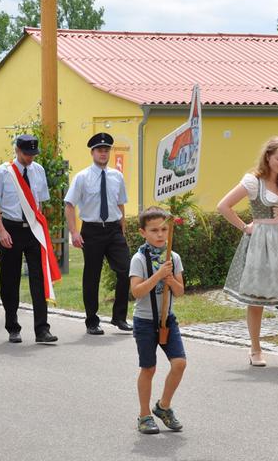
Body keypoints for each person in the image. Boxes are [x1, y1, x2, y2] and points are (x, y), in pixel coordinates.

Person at [218, 136, 278, 368]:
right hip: (261, 241)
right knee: (257, 297)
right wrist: (245, 227)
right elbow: (223, 205)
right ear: (268, 157)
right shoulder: (253, 181)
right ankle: (255, 349)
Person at [0, 134, 57, 344]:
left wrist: (40, 227)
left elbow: (40, 202)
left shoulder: (38, 170)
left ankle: (42, 329)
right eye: (26, 154)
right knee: (10, 279)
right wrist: (1, 230)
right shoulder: (3, 172)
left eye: (33, 154)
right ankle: (12, 326)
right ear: (17, 150)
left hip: (33, 229)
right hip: (11, 228)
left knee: (39, 278)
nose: (30, 158)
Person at [64, 133, 132, 335]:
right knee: (91, 276)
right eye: (100, 150)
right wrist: (74, 232)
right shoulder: (82, 177)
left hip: (113, 230)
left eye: (106, 150)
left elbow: (120, 203)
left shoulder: (116, 176)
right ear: (92, 152)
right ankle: (92, 320)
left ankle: (119, 317)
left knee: (125, 270)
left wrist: (122, 228)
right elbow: (69, 206)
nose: (104, 154)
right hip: (92, 230)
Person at [129, 207, 186, 434]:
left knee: (179, 363)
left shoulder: (173, 257)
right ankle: (144, 415)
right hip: (144, 321)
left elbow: (180, 292)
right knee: (149, 368)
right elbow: (137, 291)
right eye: (154, 230)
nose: (160, 235)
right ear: (143, 232)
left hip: (167, 320)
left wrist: (170, 278)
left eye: (164, 229)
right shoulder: (139, 259)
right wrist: (158, 275)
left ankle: (163, 406)